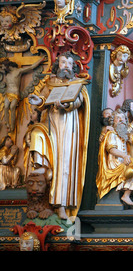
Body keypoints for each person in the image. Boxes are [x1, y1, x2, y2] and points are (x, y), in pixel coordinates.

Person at [28, 51, 90, 219]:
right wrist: (37, 101)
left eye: (69, 64)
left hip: (69, 125)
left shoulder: (77, 83)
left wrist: (67, 104)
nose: (66, 66)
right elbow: (43, 100)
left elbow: (79, 101)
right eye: (63, 63)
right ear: (58, 65)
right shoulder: (50, 83)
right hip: (53, 123)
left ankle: (63, 203)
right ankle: (53, 200)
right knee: (54, 159)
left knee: (65, 163)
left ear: (73, 67)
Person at [97, 110, 133, 206]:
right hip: (114, 165)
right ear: (113, 121)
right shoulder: (111, 134)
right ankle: (126, 195)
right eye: (118, 118)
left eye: (123, 118)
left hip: (123, 161)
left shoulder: (123, 133)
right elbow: (111, 149)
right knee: (132, 169)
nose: (121, 120)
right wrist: (124, 156)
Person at [0, 57, 45, 132]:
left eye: (3, 66)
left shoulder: (18, 71)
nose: (2, 68)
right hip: (8, 93)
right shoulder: (6, 72)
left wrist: (40, 60)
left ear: (7, 66)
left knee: (12, 107)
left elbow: (31, 67)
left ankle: (12, 127)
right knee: (5, 107)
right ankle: (7, 124)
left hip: (15, 93)